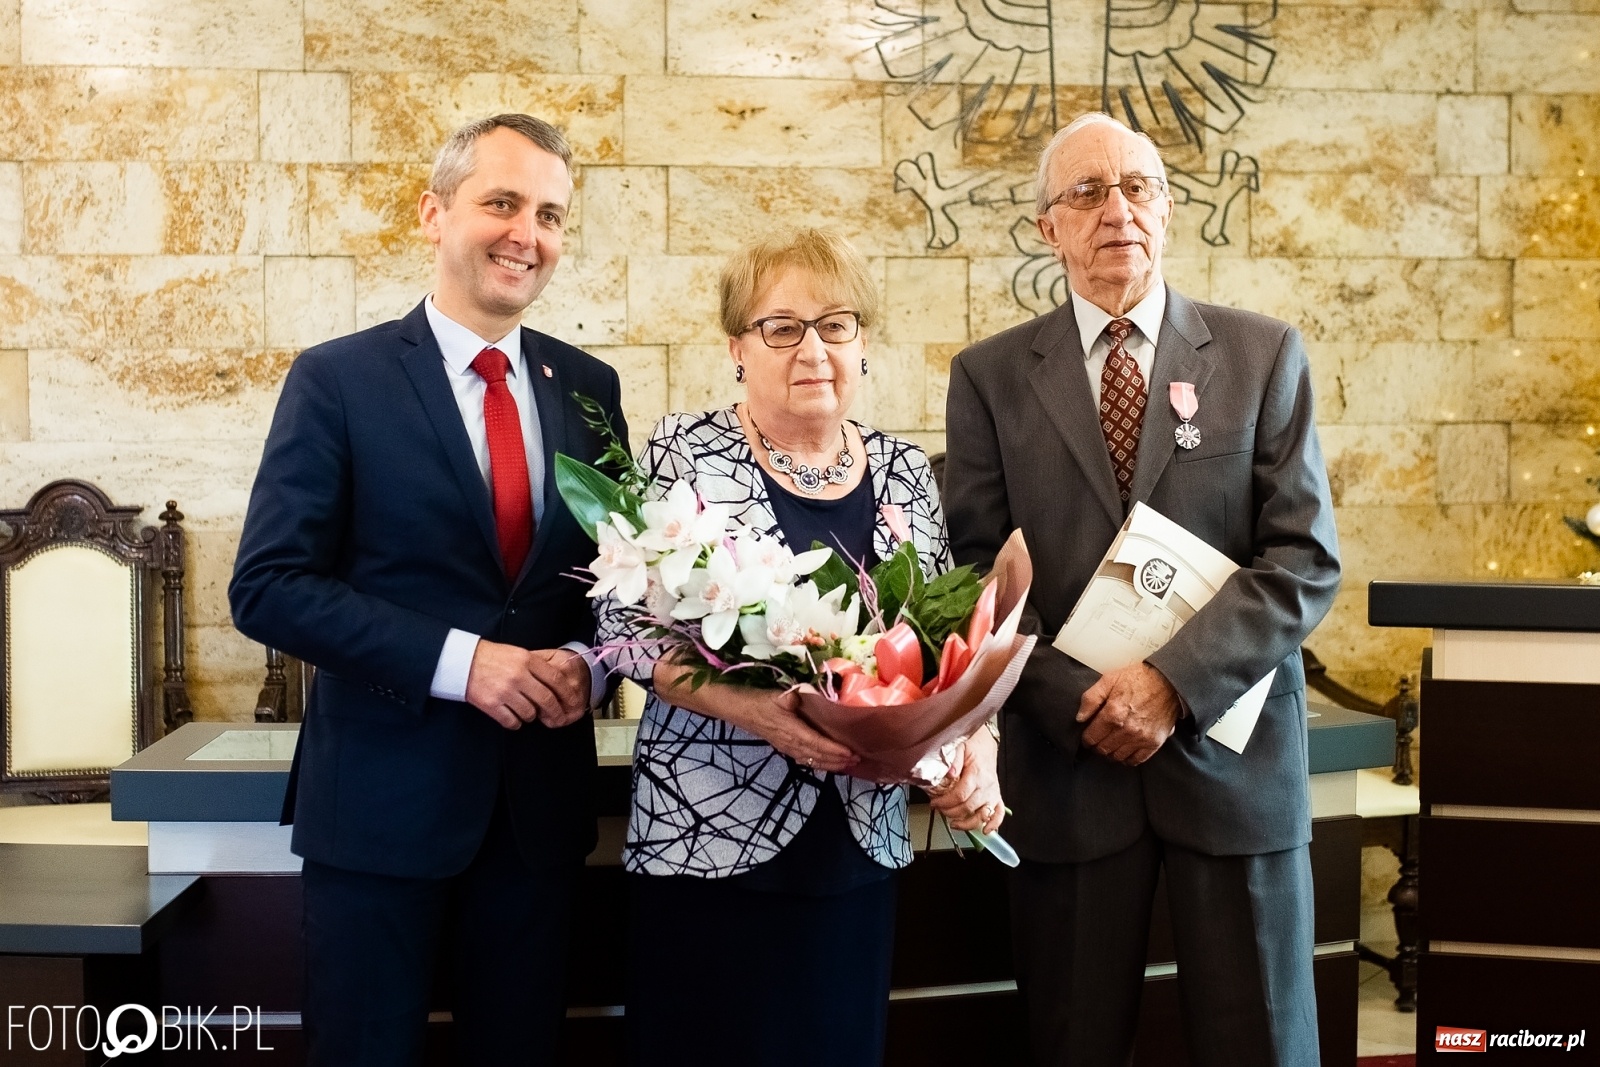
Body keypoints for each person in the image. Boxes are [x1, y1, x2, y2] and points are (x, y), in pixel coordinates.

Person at [943, 112, 1341, 1067]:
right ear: (1048, 228)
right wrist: (1079, 699)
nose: (1116, 209)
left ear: (1168, 208)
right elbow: (978, 569)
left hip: (1235, 763)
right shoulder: (990, 376)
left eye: (1139, 187)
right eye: (1086, 193)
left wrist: (1168, 684)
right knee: (1072, 1042)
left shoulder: (1262, 355)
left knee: (1264, 1046)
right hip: (1070, 768)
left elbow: (1303, 560)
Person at [229, 114, 626, 1066]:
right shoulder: (337, 380)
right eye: (501, 202)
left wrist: (584, 659)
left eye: (550, 214)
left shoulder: (589, 387)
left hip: (536, 816)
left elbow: (616, 581)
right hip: (377, 816)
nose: (526, 233)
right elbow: (270, 586)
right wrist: (463, 665)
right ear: (432, 213)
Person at [598, 228, 1002, 1067]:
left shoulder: (903, 470)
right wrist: (758, 713)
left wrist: (975, 745)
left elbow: (945, 654)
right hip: (707, 841)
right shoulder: (688, 452)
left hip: (856, 851)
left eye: (837, 324)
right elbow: (625, 632)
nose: (813, 348)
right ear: (738, 348)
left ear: (862, 344)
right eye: (781, 327)